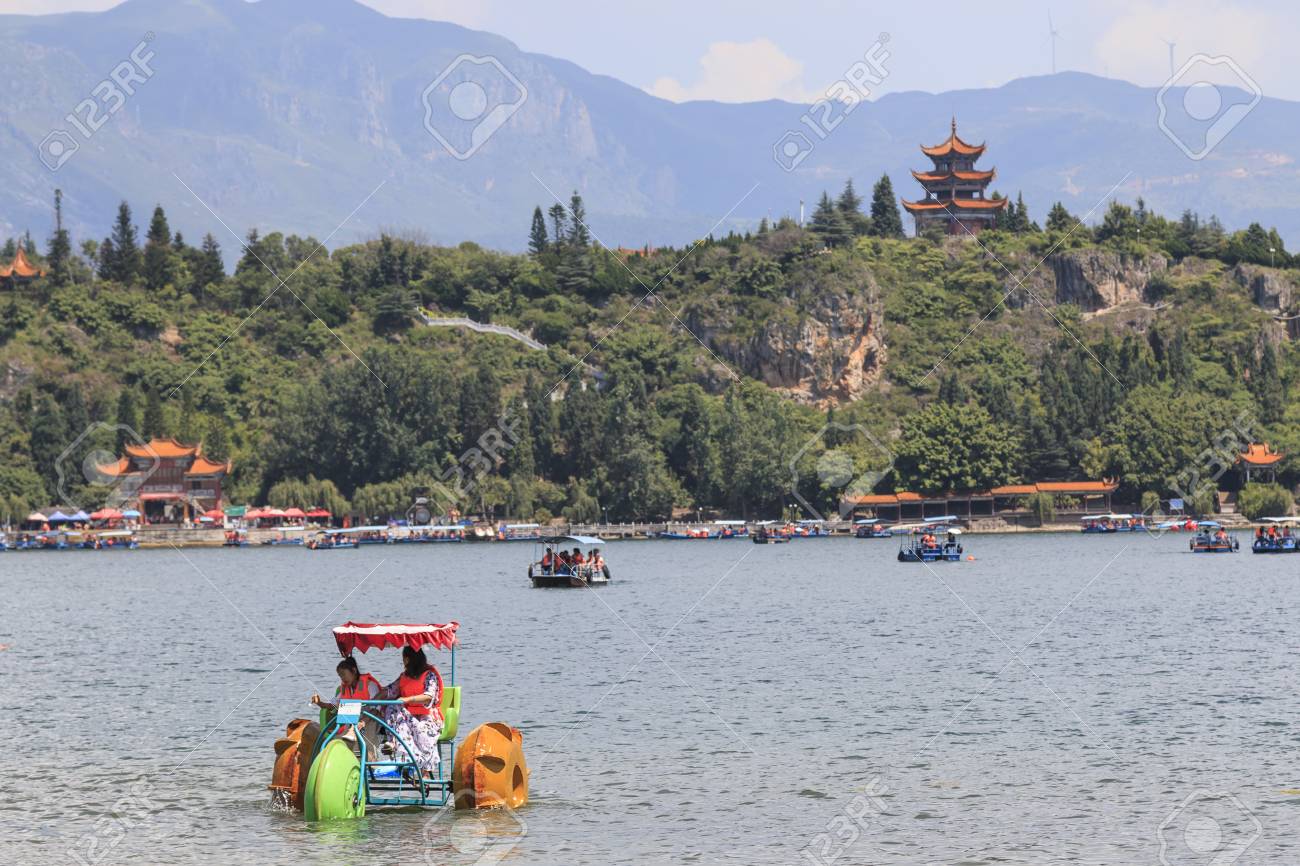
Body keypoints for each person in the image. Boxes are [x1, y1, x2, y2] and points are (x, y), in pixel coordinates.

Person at [379, 646, 444, 778]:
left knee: (421, 730)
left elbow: (429, 696)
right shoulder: (404, 676)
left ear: (409, 659)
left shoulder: (429, 675)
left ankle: (424, 770)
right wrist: (376, 698)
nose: (403, 662)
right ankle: (395, 744)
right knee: (393, 709)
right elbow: (391, 690)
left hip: (427, 716)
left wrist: (408, 699)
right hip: (408, 715)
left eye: (404, 659)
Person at [311, 656, 380, 741]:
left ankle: (354, 735)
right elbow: (333, 705)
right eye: (340, 676)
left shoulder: (370, 685)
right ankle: (348, 735)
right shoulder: (344, 688)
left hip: (370, 722)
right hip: (350, 725)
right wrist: (319, 703)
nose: (342, 678)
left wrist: (360, 724)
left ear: (354, 671)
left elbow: (376, 710)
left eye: (344, 674)